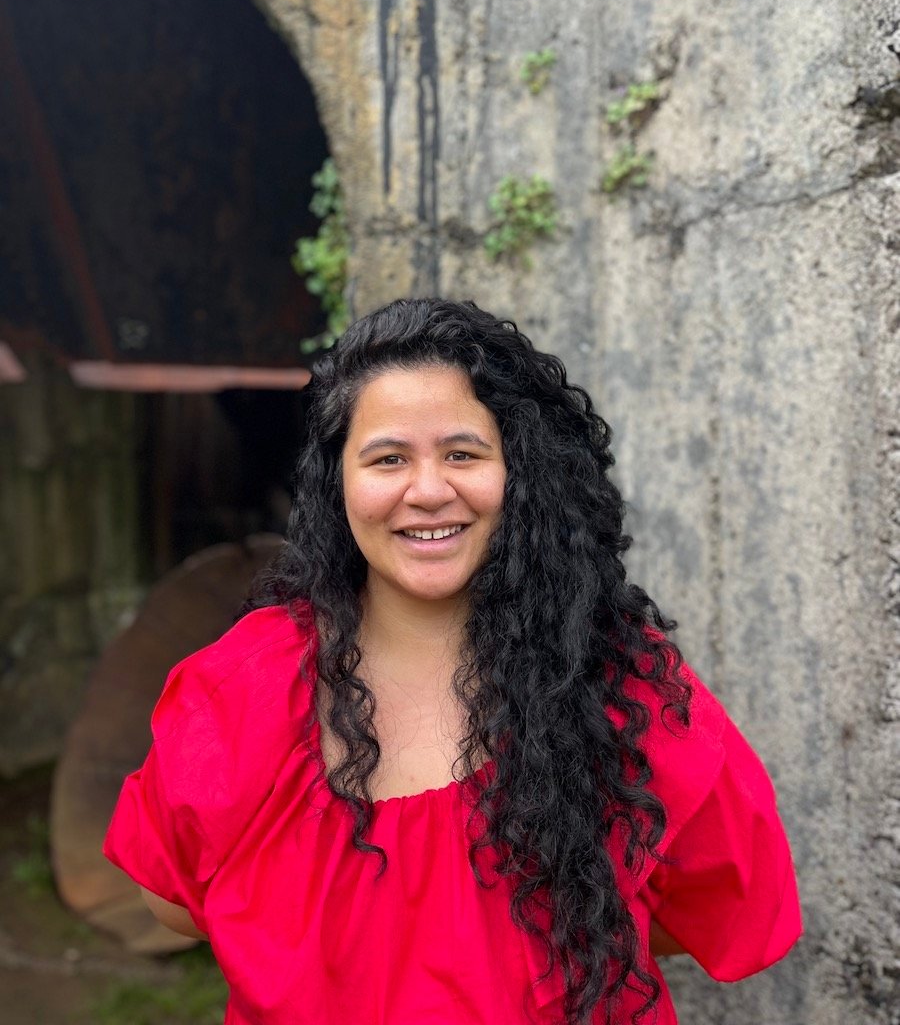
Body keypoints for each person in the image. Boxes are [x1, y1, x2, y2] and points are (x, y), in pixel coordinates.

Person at [104, 298, 802, 1025]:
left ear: (521, 471)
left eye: (463, 454)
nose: (430, 491)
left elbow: (727, 900)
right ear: (338, 482)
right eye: (388, 458)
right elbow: (170, 898)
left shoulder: (621, 684)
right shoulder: (247, 682)